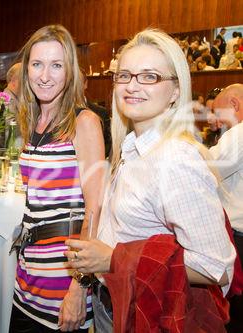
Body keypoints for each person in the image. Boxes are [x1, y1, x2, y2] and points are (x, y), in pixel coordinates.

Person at [65, 29, 235, 332]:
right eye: (125, 75)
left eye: (150, 77)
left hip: (145, 313)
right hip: (116, 304)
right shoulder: (132, 147)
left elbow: (217, 268)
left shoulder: (174, 159)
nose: (132, 85)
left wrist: (114, 259)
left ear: (174, 91)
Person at [10, 24, 105, 332]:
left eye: (56, 65)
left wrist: (80, 287)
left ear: (70, 72)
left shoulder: (84, 122)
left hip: (63, 278)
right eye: (37, 64)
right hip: (27, 273)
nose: (45, 75)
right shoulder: (34, 121)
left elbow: (96, 208)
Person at [208, 84, 243, 332]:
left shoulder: (239, 132)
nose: (216, 122)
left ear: (234, 106)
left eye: (218, 113)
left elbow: (208, 169)